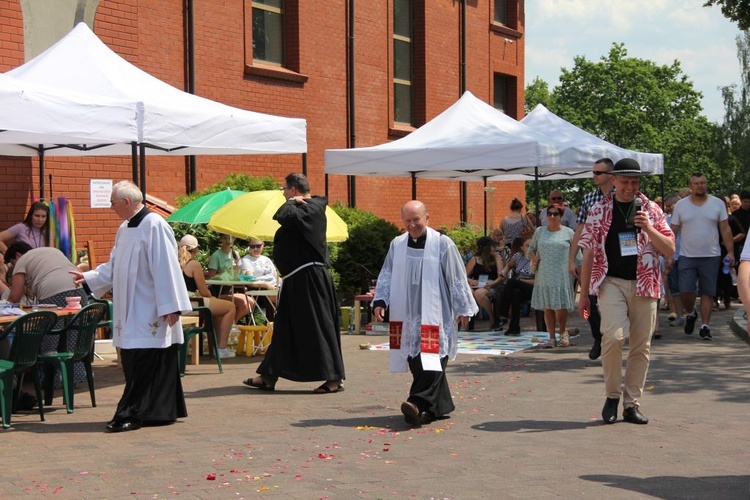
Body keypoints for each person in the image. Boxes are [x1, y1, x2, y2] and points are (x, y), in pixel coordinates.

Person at [73, 180, 192, 433]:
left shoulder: (155, 225)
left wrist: (171, 305)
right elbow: (114, 265)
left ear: (126, 202)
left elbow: (166, 268)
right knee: (136, 360)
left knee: (143, 362)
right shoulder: (124, 228)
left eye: (113, 203)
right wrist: (90, 278)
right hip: (129, 308)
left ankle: (131, 413)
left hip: (150, 309)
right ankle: (159, 411)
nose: (111, 207)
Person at [578, 158, 674, 425]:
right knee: (613, 336)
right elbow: (588, 253)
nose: (630, 187)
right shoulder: (599, 210)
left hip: (645, 284)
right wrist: (584, 293)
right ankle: (612, 394)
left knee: (641, 346)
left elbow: (669, 248)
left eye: (635, 182)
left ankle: (632, 404)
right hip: (611, 283)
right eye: (625, 181)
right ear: (614, 180)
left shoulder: (651, 209)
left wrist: (649, 228)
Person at [372, 200, 477, 427]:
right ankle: (437, 407)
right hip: (407, 314)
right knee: (416, 360)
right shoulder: (397, 244)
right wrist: (381, 300)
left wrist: (463, 308)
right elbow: (387, 273)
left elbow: (456, 276)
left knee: (433, 359)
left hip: (436, 315)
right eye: (407, 221)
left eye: (416, 220)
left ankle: (416, 402)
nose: (412, 225)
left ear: (427, 218)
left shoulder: (442, 244)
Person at [243, 173, 345, 394]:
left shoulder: (313, 208)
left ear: (294, 190)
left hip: (310, 280)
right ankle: (268, 376)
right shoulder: (303, 209)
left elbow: (283, 214)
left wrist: (291, 202)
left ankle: (333, 379)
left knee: (319, 328)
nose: (282, 194)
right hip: (297, 279)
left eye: (284, 190)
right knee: (285, 328)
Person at [670, 172, 735, 340]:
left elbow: (725, 229)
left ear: (707, 185)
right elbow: (673, 231)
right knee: (685, 290)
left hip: (711, 255)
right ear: (690, 186)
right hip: (686, 255)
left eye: (703, 183)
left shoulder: (717, 203)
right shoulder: (681, 206)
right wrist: (668, 253)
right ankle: (691, 313)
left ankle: (705, 326)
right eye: (697, 183)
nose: (700, 186)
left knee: (708, 291)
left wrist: (730, 251)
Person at [568, 158, 615, 359]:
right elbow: (580, 229)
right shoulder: (589, 199)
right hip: (594, 258)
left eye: (598, 173)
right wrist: (572, 259)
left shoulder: (621, 195)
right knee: (590, 300)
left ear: (611, 175)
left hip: (616, 257)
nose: (594, 176)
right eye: (593, 172)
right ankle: (598, 337)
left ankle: (613, 339)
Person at [177, 234, 237, 359]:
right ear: (196, 250)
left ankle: (215, 347)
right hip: (192, 304)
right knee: (230, 307)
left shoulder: (172, 262)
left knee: (218, 311)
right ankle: (221, 348)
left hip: (177, 304)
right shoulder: (194, 264)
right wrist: (213, 298)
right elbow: (204, 291)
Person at [529, 203, 575, 347]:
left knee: (561, 306)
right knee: (547, 306)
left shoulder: (569, 233)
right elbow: (530, 249)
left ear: (561, 216)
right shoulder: (540, 231)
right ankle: (551, 337)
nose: (552, 216)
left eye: (556, 214)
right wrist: (533, 256)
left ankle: (562, 332)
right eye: (550, 214)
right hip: (544, 272)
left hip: (562, 272)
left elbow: (576, 254)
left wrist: (577, 269)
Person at [207, 233, 253, 324]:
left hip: (232, 289)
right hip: (219, 291)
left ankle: (232, 324)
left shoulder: (235, 254)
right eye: (225, 238)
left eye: (230, 238)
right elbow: (211, 275)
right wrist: (226, 273)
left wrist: (240, 273)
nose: (228, 241)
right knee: (243, 303)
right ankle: (230, 326)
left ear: (234, 239)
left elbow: (239, 271)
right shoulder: (216, 255)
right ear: (220, 239)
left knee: (250, 302)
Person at [496, 236, 535, 336]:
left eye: (532, 246)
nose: (530, 248)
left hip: (532, 286)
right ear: (522, 248)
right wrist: (503, 272)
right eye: (528, 246)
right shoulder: (518, 256)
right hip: (518, 287)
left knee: (511, 282)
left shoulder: (537, 259)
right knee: (515, 293)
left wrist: (520, 280)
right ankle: (514, 327)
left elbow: (538, 281)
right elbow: (509, 265)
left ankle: (502, 314)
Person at [465, 236, 504, 330]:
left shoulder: (496, 257)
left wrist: (492, 283)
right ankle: (469, 322)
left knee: (479, 293)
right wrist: (471, 281)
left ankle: (492, 318)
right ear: (485, 248)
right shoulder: (475, 259)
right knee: (470, 293)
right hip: (477, 284)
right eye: (492, 246)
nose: (494, 248)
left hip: (492, 284)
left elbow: (501, 276)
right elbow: (463, 276)